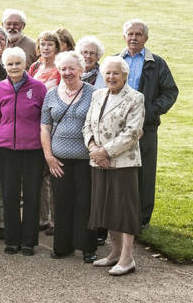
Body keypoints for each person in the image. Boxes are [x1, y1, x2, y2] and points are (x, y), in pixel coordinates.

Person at [84, 56, 146, 276]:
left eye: (116, 73)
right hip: (99, 161)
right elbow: (87, 125)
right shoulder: (97, 95)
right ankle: (114, 253)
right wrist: (93, 148)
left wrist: (106, 151)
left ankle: (127, 258)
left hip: (123, 163)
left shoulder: (135, 98)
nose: (111, 77)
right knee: (107, 208)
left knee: (125, 210)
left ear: (125, 75)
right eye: (108, 73)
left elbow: (133, 132)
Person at [118, 19, 178, 228]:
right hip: (118, 128)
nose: (134, 38)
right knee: (119, 172)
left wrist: (150, 111)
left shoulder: (156, 63)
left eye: (138, 34)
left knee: (144, 174)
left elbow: (171, 91)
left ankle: (141, 221)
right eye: (130, 34)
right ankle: (119, 216)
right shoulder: (117, 60)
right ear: (124, 36)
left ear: (146, 38)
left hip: (146, 128)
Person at [0, 47, 47, 255]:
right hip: (6, 150)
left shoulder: (39, 88)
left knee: (31, 196)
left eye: (17, 63)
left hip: (33, 150)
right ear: (4, 66)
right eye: (10, 64)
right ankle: (12, 240)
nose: (14, 67)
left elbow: (45, 122)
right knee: (9, 195)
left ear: (25, 65)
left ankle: (29, 241)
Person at [40, 50, 96, 262]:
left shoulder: (93, 93)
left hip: (86, 159)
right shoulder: (51, 94)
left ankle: (88, 248)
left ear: (81, 70)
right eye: (63, 68)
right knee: (61, 203)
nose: (67, 72)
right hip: (58, 160)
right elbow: (44, 127)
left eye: (71, 68)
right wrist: (49, 157)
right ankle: (63, 246)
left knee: (85, 203)